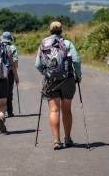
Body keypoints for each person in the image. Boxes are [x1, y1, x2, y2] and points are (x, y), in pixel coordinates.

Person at [35, 21, 82, 150]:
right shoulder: (67, 44)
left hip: (51, 82)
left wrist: (46, 73)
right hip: (67, 80)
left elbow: (38, 64)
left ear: (50, 31)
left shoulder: (44, 44)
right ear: (62, 31)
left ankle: (57, 141)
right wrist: (78, 75)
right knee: (66, 110)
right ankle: (67, 138)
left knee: (54, 110)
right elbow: (76, 61)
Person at [1, 31, 19, 118]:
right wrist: (16, 75)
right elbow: (14, 63)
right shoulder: (12, 47)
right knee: (9, 92)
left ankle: (0, 112)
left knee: (0, 92)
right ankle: (10, 111)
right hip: (9, 72)